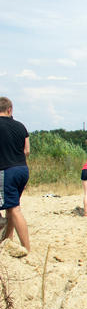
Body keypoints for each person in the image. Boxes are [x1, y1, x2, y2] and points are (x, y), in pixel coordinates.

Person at [0, 96, 31, 253]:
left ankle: (26, 249)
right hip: (22, 170)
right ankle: (7, 241)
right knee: (10, 205)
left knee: (14, 209)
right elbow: (27, 150)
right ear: (9, 109)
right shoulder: (21, 126)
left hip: (5, 170)